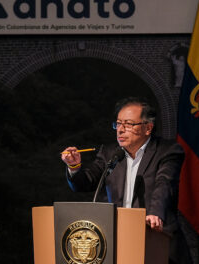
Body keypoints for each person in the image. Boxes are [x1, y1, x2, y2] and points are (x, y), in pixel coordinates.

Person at [61, 97, 192, 264]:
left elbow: (164, 183)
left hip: (157, 239)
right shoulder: (110, 154)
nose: (120, 130)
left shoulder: (167, 151)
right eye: (118, 124)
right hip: (119, 242)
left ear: (148, 128)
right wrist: (74, 167)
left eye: (128, 124)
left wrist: (155, 213)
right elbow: (85, 182)